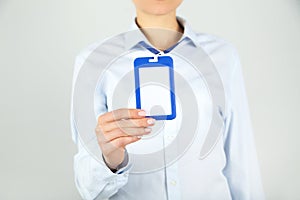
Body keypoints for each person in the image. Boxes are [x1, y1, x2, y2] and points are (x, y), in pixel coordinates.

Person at [70, 0, 264, 199]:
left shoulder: (223, 56)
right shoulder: (92, 62)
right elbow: (88, 189)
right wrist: (109, 159)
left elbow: (242, 162)